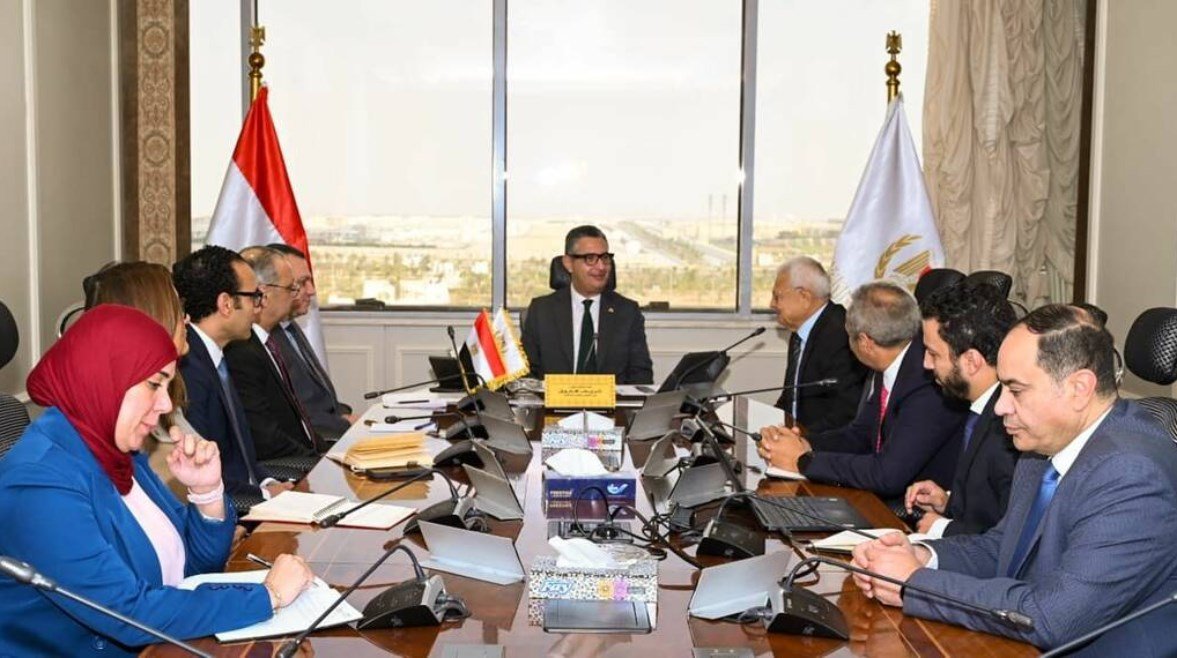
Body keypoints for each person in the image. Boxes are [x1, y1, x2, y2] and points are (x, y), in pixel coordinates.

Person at [851, 305, 1177, 656]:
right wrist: (921, 555)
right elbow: (1004, 548)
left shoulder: (1132, 472)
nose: (1000, 407)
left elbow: (1053, 618)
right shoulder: (1044, 443)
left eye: (1016, 390)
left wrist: (914, 584)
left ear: (1079, 388)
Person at [0, 305, 314, 657]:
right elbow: (126, 613)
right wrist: (268, 596)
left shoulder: (119, 452)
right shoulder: (38, 484)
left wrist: (206, 492)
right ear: (104, 378)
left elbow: (194, 568)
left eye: (168, 385)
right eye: (154, 384)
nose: (165, 404)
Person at [758, 281, 966, 500]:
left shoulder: (929, 383)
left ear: (865, 342)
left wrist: (803, 461)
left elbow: (887, 475)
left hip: (915, 507)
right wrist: (804, 444)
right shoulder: (892, 359)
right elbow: (861, 435)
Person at [173, 246, 297, 500]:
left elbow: (242, 456)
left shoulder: (217, 354)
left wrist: (269, 482)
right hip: (232, 506)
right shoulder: (189, 370)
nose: (258, 307)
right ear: (226, 304)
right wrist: (265, 495)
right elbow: (205, 472)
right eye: (254, 297)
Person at [904, 283, 1020, 537]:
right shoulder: (981, 407)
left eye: (933, 354)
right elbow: (987, 509)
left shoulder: (1011, 427)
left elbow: (1008, 541)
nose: (926, 363)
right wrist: (948, 502)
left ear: (971, 361)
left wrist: (943, 527)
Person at [224, 246, 325, 460]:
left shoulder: (270, 341)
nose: (295, 295)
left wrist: (331, 455)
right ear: (264, 294)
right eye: (290, 288)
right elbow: (266, 439)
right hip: (287, 466)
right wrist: (319, 463)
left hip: (306, 456)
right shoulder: (241, 352)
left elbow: (300, 425)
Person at [521, 225, 653, 384]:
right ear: (569, 263)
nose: (601, 267)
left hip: (613, 400)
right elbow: (526, 374)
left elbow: (641, 375)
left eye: (605, 258)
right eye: (590, 259)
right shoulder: (542, 311)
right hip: (554, 399)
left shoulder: (627, 312)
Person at [769, 256, 868, 433]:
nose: (771, 304)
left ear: (804, 297)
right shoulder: (800, 332)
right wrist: (767, 427)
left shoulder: (842, 334)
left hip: (825, 442)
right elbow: (791, 398)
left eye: (777, 297)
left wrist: (801, 440)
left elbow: (846, 413)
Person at [266, 243, 354, 440]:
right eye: (301, 282)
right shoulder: (266, 339)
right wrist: (346, 424)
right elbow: (295, 414)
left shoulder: (290, 327)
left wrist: (345, 417)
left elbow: (320, 399)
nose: (311, 290)